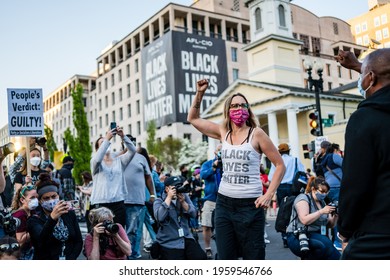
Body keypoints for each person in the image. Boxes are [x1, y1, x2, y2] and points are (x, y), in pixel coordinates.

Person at [187, 79, 285, 260]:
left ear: (248, 109)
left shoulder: (257, 133)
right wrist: (200, 93)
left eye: (242, 105)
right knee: (226, 257)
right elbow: (193, 118)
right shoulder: (223, 132)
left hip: (251, 205)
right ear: (227, 111)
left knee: (253, 258)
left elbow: (280, 165)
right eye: (234, 106)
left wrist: (269, 194)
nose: (238, 109)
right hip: (224, 204)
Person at [335, 48, 390, 259]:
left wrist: (345, 230)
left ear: (370, 78)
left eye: (363, 75)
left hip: (377, 235)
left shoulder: (365, 118)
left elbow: (356, 184)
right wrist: (360, 66)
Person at [27, 173, 83, 260]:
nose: (51, 200)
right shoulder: (34, 219)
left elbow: (78, 241)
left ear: (58, 196)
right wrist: (52, 219)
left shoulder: (68, 213)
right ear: (40, 201)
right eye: (46, 198)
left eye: (54, 196)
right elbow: (40, 242)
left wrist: (71, 258)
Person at [90, 126, 136, 228]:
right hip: (100, 203)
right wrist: (107, 139)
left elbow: (133, 151)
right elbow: (97, 160)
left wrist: (123, 136)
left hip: (118, 203)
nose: (106, 143)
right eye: (102, 143)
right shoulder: (94, 162)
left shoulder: (119, 161)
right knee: (101, 233)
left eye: (106, 142)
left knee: (118, 232)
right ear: (98, 149)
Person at [286, 176, 340, 260]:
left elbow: (330, 225)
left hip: (315, 234)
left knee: (328, 246)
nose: (324, 194)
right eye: (322, 191)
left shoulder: (322, 202)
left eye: (326, 192)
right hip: (297, 235)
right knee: (322, 246)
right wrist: (321, 211)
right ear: (313, 189)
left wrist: (336, 215)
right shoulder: (303, 198)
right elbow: (304, 220)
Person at [153, 176, 207, 260]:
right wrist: (169, 198)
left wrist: (183, 203)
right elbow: (159, 217)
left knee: (201, 257)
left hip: (186, 237)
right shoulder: (159, 201)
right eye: (175, 187)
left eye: (179, 186)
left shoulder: (184, 196)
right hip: (169, 241)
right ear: (167, 189)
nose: (177, 190)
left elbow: (194, 214)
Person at [122, 141, 156, 259]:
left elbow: (149, 177)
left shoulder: (141, 158)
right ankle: (123, 255)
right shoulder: (118, 157)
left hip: (137, 200)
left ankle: (133, 254)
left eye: (131, 143)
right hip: (119, 200)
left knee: (135, 230)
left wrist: (152, 195)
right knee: (119, 230)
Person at [268, 143, 305, 248]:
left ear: (279, 152)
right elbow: (302, 173)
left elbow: (271, 177)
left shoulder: (276, 162)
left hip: (280, 188)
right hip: (293, 188)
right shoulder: (295, 160)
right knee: (294, 210)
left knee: (283, 211)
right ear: (288, 151)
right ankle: (294, 233)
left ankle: (284, 236)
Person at [199, 144, 222, 259]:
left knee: (223, 227)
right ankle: (208, 248)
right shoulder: (207, 164)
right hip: (210, 199)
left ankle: (223, 250)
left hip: (224, 200)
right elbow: (202, 175)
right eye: (219, 151)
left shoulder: (228, 164)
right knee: (206, 225)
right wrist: (214, 167)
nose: (221, 152)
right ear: (215, 153)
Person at [11, 185, 39, 259]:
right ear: (22, 200)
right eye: (32, 198)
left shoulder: (32, 211)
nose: (36, 200)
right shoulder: (19, 215)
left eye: (36, 197)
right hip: (22, 253)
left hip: (31, 249)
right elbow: (20, 240)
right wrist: (36, 229)